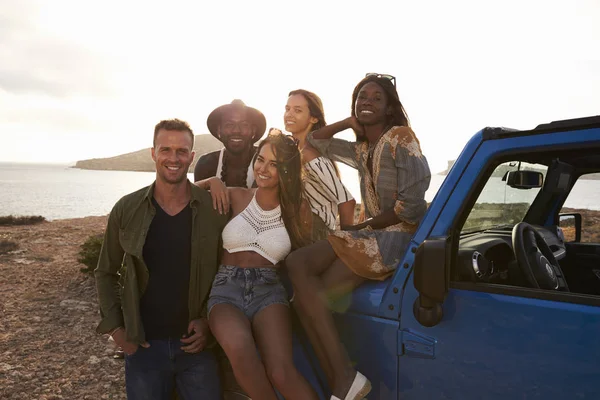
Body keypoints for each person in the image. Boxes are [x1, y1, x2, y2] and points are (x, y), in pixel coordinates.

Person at [285, 74, 431, 400]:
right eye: (361, 97)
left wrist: (360, 228)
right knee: (301, 272)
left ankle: (343, 380)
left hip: (395, 238)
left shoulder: (401, 138)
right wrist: (351, 121)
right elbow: (315, 141)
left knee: (311, 290)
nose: (367, 102)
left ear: (390, 108)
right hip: (370, 235)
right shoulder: (363, 147)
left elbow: (411, 207)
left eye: (376, 99)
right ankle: (344, 379)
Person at [94, 119, 228, 400]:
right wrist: (117, 330)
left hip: (197, 350)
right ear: (153, 153)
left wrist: (207, 321)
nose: (173, 158)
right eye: (165, 149)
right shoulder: (127, 208)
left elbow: (224, 272)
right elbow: (105, 272)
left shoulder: (211, 208)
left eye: (182, 151)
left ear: (192, 157)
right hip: (143, 347)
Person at [195, 133, 318, 400]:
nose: (263, 168)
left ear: (287, 169)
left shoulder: (299, 211)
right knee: (240, 349)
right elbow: (184, 193)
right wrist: (211, 181)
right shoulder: (236, 197)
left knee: (282, 372)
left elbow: (307, 256)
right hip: (225, 291)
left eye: (274, 164)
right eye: (260, 159)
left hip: (269, 292)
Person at [279, 89, 356, 240]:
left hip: (314, 233)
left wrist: (347, 243)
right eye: (287, 109)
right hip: (295, 228)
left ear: (313, 118)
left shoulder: (310, 155)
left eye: (298, 110)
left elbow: (347, 201)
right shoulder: (293, 152)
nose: (289, 114)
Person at [194, 99, 266, 188]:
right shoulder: (206, 164)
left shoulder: (264, 163)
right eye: (229, 125)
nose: (236, 130)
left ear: (253, 131)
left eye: (244, 125)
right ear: (219, 130)